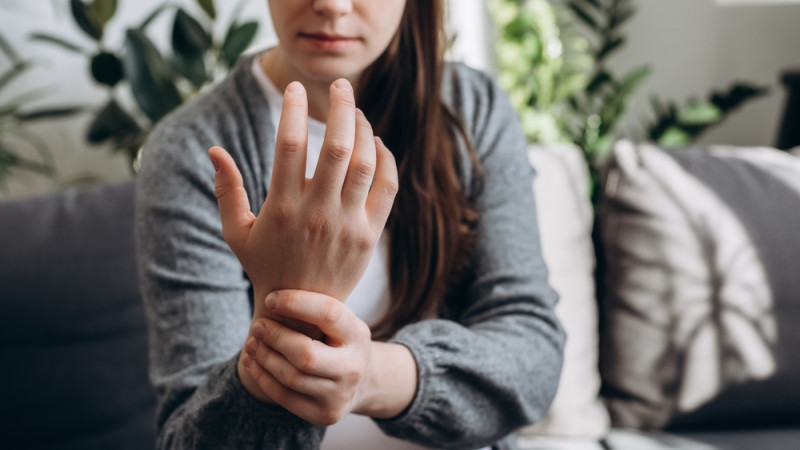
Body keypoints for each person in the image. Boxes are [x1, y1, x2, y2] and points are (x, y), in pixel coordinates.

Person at [134, 0, 565, 449]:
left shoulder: (472, 109)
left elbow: (532, 353)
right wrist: (296, 316)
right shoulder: (191, 152)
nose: (331, 5)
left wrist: (370, 379)